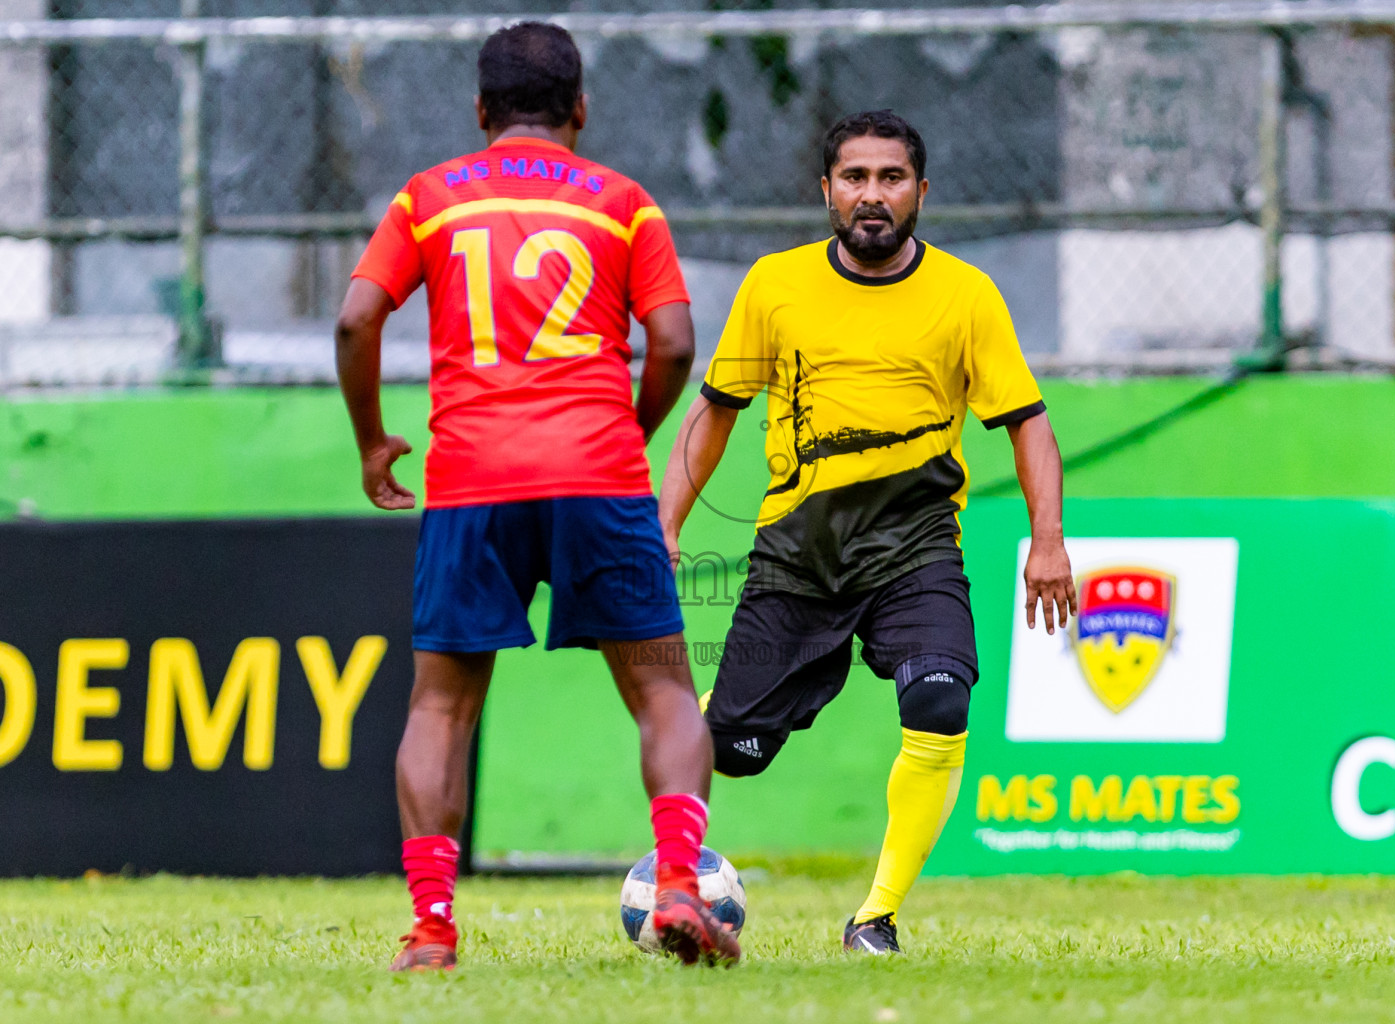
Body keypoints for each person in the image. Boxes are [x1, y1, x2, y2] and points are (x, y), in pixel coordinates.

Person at [335, 22, 738, 970]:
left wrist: (371, 441)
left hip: (472, 482)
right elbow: (674, 341)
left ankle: (432, 931)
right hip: (598, 478)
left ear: (481, 111)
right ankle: (679, 881)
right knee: (664, 692)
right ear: (581, 109)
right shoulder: (625, 205)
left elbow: (357, 318)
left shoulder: (428, 199)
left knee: (441, 710)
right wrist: (624, 437)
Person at [658, 109, 1077, 955]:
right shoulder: (774, 285)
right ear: (826, 192)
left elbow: (1027, 422)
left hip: (916, 548)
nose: (872, 195)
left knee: (939, 697)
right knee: (733, 750)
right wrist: (663, 529)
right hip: (797, 555)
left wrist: (1049, 538)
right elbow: (714, 414)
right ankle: (677, 848)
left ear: (922, 191)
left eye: (891, 178)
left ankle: (876, 916)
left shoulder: (966, 294)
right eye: (855, 178)